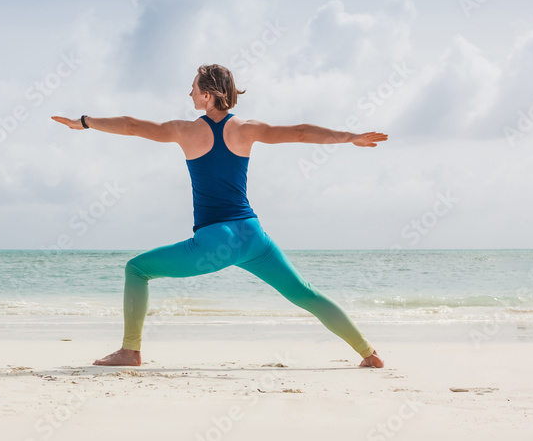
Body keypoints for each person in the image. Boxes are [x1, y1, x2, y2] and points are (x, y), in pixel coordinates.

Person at [51, 63, 386, 368]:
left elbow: (131, 126)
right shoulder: (248, 129)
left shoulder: (184, 131)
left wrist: (84, 122)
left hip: (215, 239)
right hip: (253, 237)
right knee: (305, 293)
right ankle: (368, 353)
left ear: (208, 94)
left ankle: (130, 350)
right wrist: (350, 137)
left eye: (194, 88)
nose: (190, 93)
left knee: (136, 269)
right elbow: (299, 132)